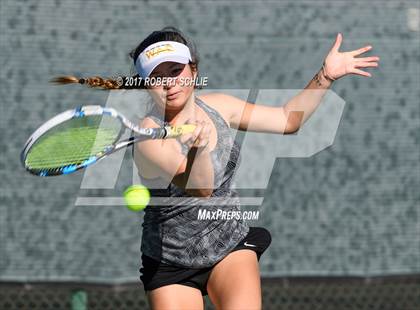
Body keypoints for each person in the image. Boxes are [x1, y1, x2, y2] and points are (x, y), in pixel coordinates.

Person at [51, 26, 379, 310]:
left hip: (228, 244)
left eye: (176, 69)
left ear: (193, 71)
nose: (169, 82)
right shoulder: (146, 137)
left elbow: (287, 120)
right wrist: (199, 149)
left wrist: (325, 75)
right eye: (157, 75)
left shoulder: (220, 107)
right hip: (170, 262)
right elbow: (201, 187)